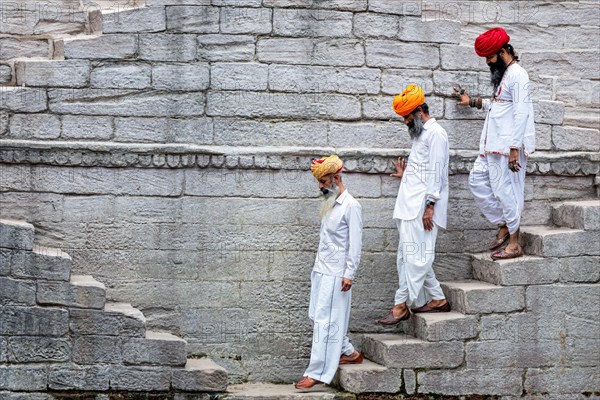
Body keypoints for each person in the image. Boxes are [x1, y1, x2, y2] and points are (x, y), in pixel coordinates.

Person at [454, 27, 535, 260]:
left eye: (490, 57)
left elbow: (521, 114)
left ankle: (515, 242)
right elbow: (499, 106)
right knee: (477, 180)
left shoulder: (518, 74)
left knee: (506, 192)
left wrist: (513, 149)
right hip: (491, 146)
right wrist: (473, 102)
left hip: (506, 148)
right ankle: (504, 223)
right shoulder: (507, 75)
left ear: (501, 52)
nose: (488, 62)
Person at [378, 84, 451, 327]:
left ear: (419, 111)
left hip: (422, 208)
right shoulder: (422, 134)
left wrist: (430, 205)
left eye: (407, 118)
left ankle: (401, 306)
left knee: (415, 259)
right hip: (410, 204)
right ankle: (438, 299)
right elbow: (424, 168)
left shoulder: (436, 133)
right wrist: (406, 175)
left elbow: (438, 172)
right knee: (408, 256)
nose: (405, 123)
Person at [295, 155, 364, 390]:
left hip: (337, 274)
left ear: (336, 178)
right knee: (317, 315)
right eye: (320, 182)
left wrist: (349, 274)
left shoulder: (351, 206)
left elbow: (355, 244)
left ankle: (316, 373)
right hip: (321, 270)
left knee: (325, 323)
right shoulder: (330, 203)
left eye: (323, 181)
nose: (320, 186)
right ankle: (350, 353)